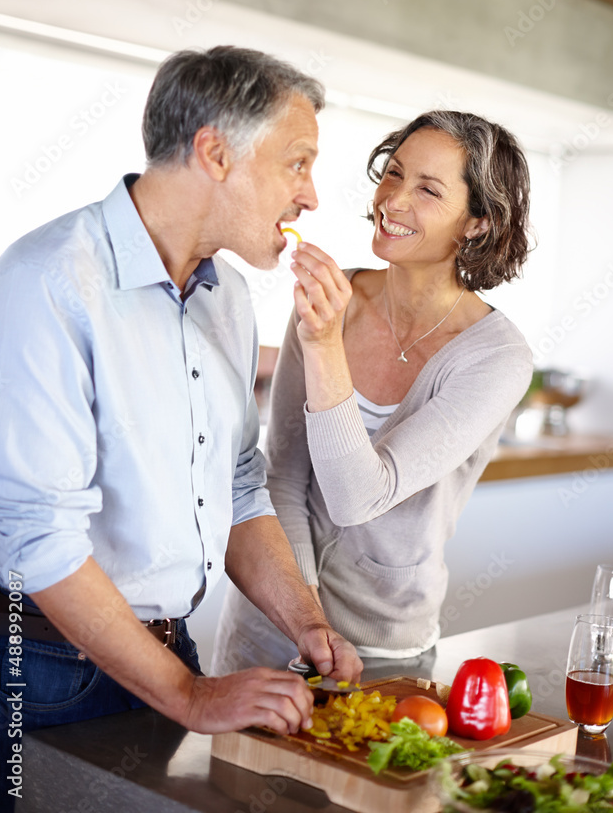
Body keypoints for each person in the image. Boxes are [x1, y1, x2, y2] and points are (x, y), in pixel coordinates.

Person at [0, 47, 362, 808]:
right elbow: (36, 535)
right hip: (40, 668)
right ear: (215, 152)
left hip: (166, 650)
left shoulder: (224, 296)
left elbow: (234, 482)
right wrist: (190, 696)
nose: (311, 196)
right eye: (297, 163)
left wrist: (305, 621)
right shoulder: (48, 281)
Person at [212, 109, 534, 677]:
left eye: (428, 189)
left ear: (477, 223)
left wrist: (325, 345)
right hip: (269, 625)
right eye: (394, 173)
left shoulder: (496, 358)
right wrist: (305, 617)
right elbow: (283, 474)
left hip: (382, 648)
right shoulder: (333, 303)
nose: (393, 199)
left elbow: (359, 496)